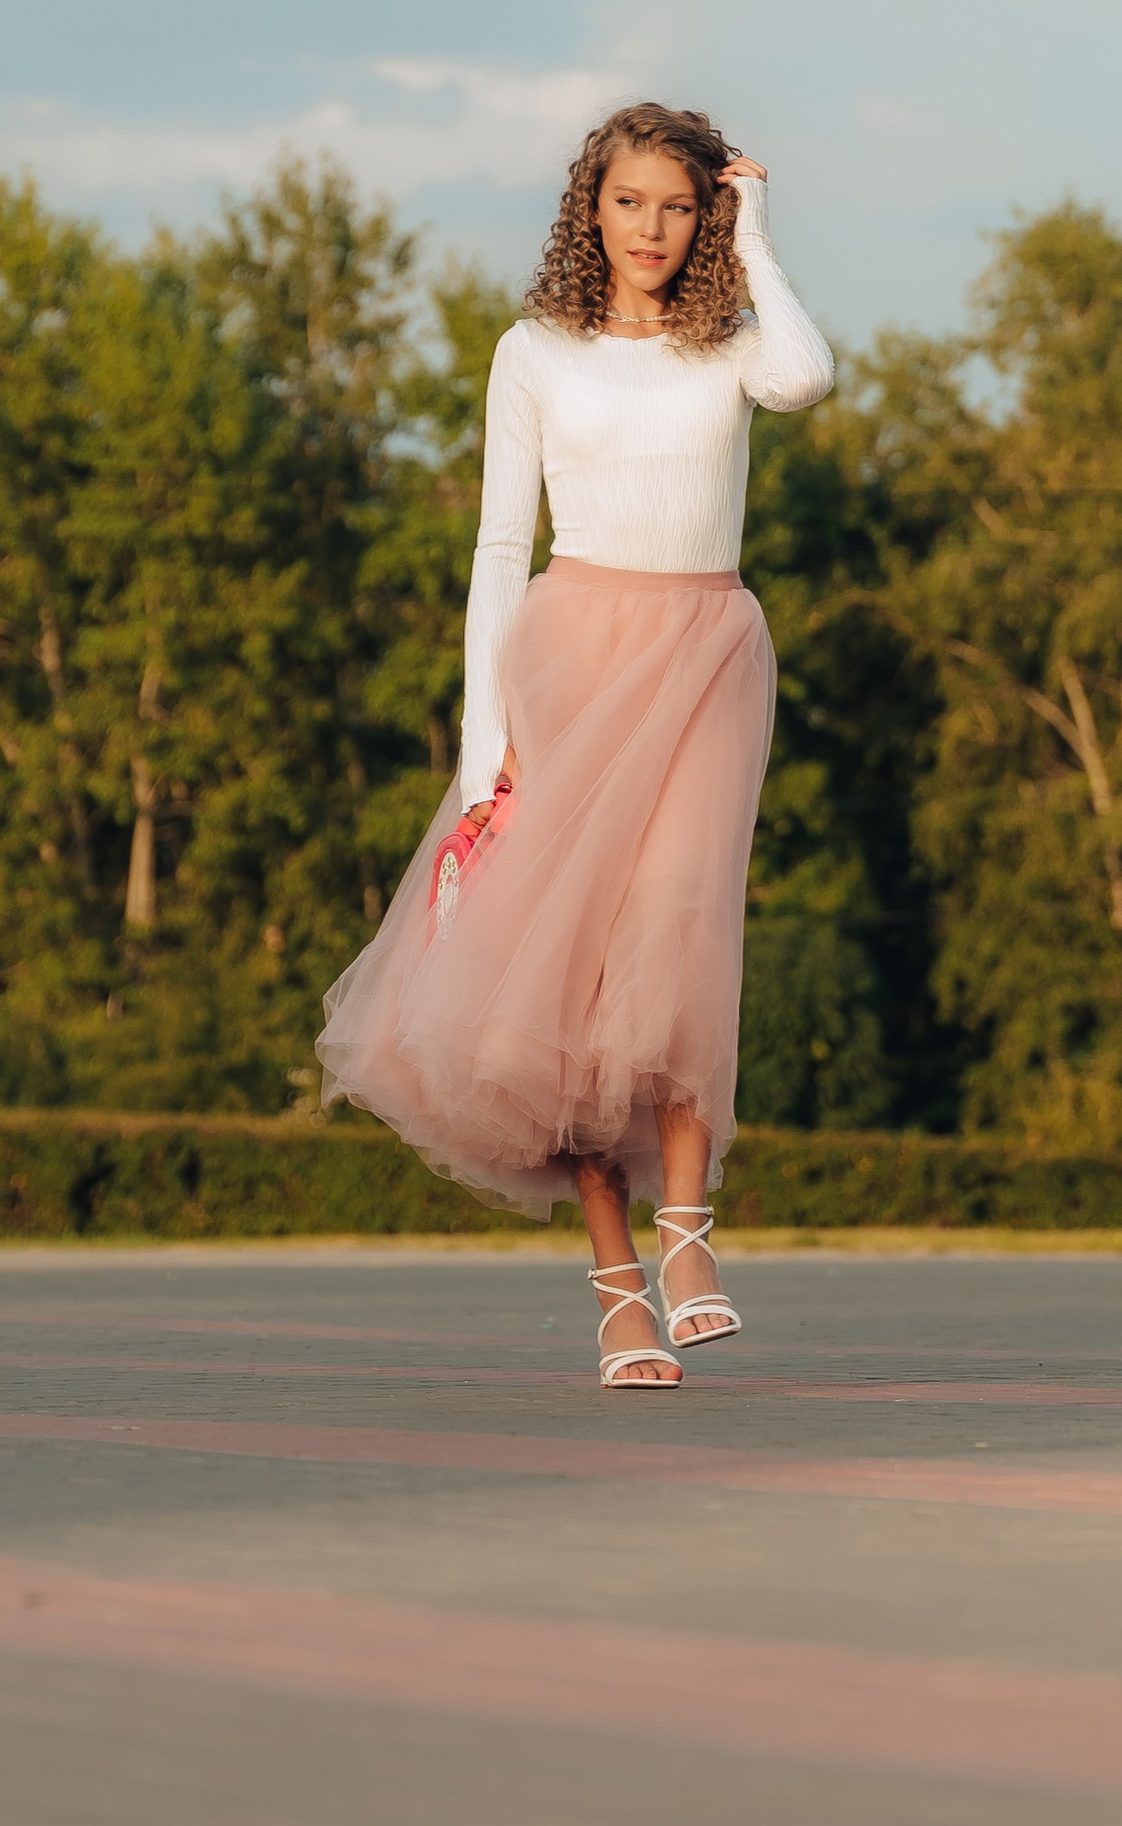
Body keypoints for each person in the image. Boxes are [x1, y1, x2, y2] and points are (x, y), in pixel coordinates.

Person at [318, 103, 834, 1385]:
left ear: (705, 214)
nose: (651, 228)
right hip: (572, 656)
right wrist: (484, 741)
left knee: (679, 927)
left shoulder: (731, 344)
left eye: (679, 205)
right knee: (577, 976)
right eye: (628, 201)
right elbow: (502, 547)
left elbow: (807, 378)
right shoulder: (535, 350)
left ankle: (688, 1232)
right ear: (588, 208)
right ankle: (616, 1289)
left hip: (709, 653)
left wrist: (758, 234)